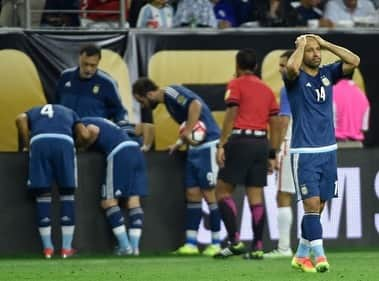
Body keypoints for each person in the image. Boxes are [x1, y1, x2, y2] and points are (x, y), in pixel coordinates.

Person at [284, 34, 360, 273]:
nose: (316, 54)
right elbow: (291, 67)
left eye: (318, 50)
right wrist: (300, 46)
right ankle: (320, 256)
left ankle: (300, 255)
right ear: (302, 54)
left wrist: (326, 44)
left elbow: (354, 60)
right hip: (305, 152)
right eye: (311, 51)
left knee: (320, 205)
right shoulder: (294, 78)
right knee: (312, 206)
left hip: (328, 150)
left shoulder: (328, 73)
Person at [132, 79, 221, 256]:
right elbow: (188, 125)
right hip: (193, 148)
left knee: (209, 194)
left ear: (149, 94)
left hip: (208, 145)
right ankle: (191, 243)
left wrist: (187, 132)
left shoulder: (171, 92)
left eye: (142, 101)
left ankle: (216, 243)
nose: (143, 105)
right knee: (192, 193)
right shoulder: (169, 105)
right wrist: (179, 142)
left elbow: (195, 105)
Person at [213, 49, 281, 260]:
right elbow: (276, 123)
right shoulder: (268, 90)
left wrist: (222, 143)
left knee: (222, 191)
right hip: (261, 143)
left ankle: (235, 242)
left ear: (238, 66)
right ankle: (258, 247)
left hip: (241, 140)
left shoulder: (236, 84)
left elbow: (231, 113)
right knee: (255, 194)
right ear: (256, 67)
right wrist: (272, 153)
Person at [15, 104, 93, 259]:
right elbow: (85, 135)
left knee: (42, 194)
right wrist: (78, 146)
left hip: (38, 142)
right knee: (67, 194)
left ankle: (48, 249)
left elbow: (20, 119)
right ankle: (66, 249)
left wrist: (25, 145)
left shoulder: (34, 110)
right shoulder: (70, 111)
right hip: (64, 142)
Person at [81, 117, 150, 256]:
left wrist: (82, 146)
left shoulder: (81, 122)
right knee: (133, 200)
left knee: (108, 201)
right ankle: (135, 248)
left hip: (120, 152)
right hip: (136, 150)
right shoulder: (112, 123)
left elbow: (92, 131)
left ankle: (125, 246)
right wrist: (147, 145)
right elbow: (149, 126)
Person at [265, 50, 296, 259]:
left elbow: (283, 121)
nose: (280, 69)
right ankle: (312, 246)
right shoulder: (315, 84)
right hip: (312, 143)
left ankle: (284, 248)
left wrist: (274, 151)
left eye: (283, 65)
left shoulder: (289, 88)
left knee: (283, 194)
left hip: (291, 141)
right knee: (311, 197)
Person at [56, 44, 128, 124]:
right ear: (79, 59)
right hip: (66, 129)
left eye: (93, 65)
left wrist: (123, 124)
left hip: (93, 133)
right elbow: (56, 103)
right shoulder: (65, 77)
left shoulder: (108, 83)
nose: (88, 69)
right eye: (85, 64)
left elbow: (119, 111)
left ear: (98, 62)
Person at [333, 79, 370, 148]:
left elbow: (330, 123)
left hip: (337, 145)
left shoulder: (332, 92)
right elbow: (364, 127)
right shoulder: (362, 96)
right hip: (357, 146)